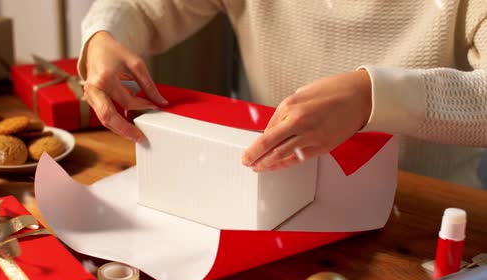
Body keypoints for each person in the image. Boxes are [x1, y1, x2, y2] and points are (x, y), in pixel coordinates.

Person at [78, 0, 487, 188]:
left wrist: (371, 96)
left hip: (427, 210)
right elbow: (145, 8)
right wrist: (102, 36)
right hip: (275, 191)